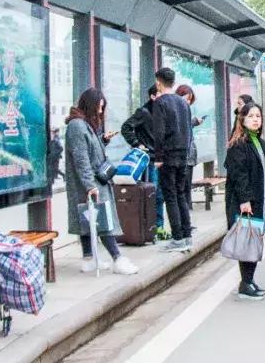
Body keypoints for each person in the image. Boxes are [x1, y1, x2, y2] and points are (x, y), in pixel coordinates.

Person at [64, 88, 140, 276]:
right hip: (89, 182)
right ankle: (117, 259)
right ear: (90, 105)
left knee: (88, 218)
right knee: (102, 219)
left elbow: (87, 151)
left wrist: (102, 141)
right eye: (98, 107)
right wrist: (90, 186)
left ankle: (89, 259)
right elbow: (81, 159)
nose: (100, 111)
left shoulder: (82, 124)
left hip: (89, 181)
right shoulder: (77, 126)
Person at [223, 102, 265, 301]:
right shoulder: (238, 144)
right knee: (247, 240)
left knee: (255, 239)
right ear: (242, 119)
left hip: (260, 199)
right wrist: (244, 199)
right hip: (247, 201)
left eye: (258, 116)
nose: (255, 119)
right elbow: (239, 175)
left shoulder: (259, 142)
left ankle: (249, 280)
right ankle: (245, 283)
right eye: (251, 116)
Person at [151, 68, 195, 252]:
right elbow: (188, 130)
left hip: (168, 156)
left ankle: (177, 237)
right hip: (183, 155)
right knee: (180, 194)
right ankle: (187, 235)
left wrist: (158, 157)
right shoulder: (183, 103)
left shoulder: (160, 103)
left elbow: (159, 132)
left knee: (170, 196)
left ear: (158, 82)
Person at [122, 85, 165, 234]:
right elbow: (126, 127)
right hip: (150, 160)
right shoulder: (143, 112)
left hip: (161, 159)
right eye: (161, 94)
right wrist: (137, 144)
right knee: (152, 193)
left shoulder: (162, 112)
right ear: (153, 96)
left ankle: (159, 227)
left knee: (160, 195)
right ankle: (150, 228)